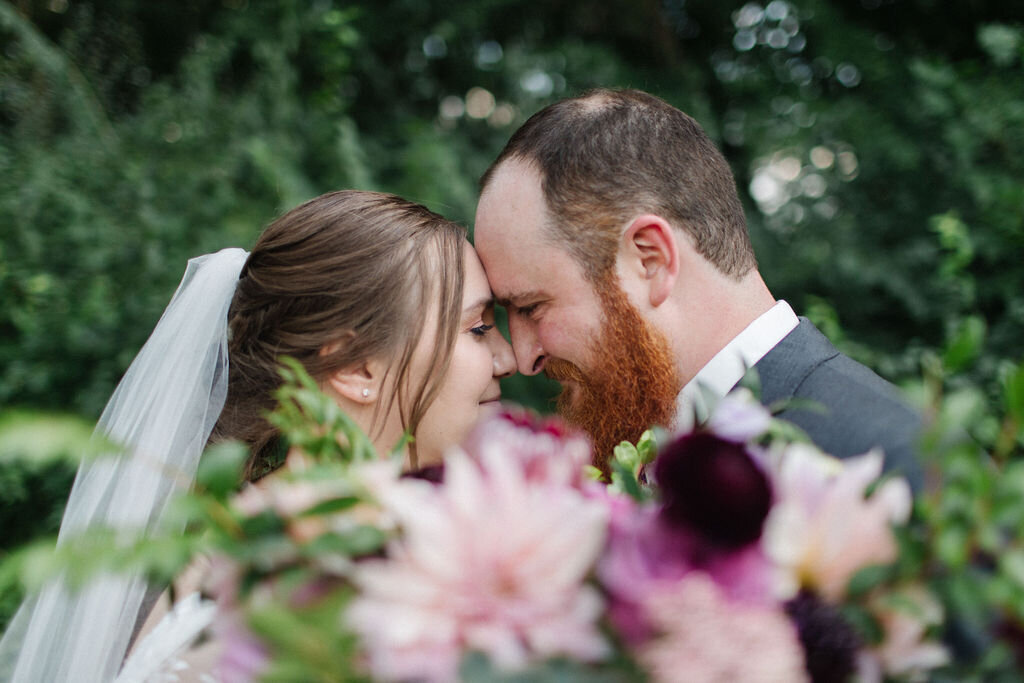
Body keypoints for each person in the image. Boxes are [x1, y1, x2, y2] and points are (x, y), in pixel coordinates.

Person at [0, 190, 515, 682]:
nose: (508, 359)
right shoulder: (245, 590)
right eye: (476, 329)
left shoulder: (439, 545)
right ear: (359, 368)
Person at [473, 88, 922, 487]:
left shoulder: (889, 468)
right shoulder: (644, 459)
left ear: (651, 258)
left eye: (531, 307)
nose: (522, 357)